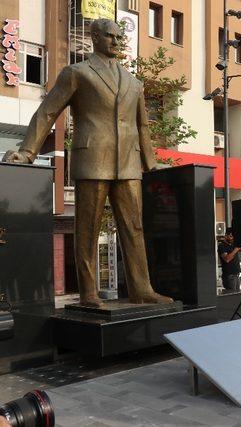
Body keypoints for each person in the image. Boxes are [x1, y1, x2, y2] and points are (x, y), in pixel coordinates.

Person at [1, 19, 170, 308]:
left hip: (128, 163)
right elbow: (48, 111)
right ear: (94, 37)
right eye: (110, 36)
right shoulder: (77, 73)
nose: (116, 42)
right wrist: (28, 151)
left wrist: (151, 162)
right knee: (88, 228)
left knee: (134, 226)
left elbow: (143, 126)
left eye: (119, 37)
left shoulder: (134, 82)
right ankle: (89, 292)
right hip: (92, 158)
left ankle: (142, 289)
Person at [218, 228, 241, 293]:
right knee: (232, 295)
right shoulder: (222, 246)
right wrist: (236, 250)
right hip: (229, 276)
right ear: (226, 235)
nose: (232, 238)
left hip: (236, 274)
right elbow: (227, 259)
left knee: (237, 295)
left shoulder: (233, 244)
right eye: (230, 236)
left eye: (233, 237)